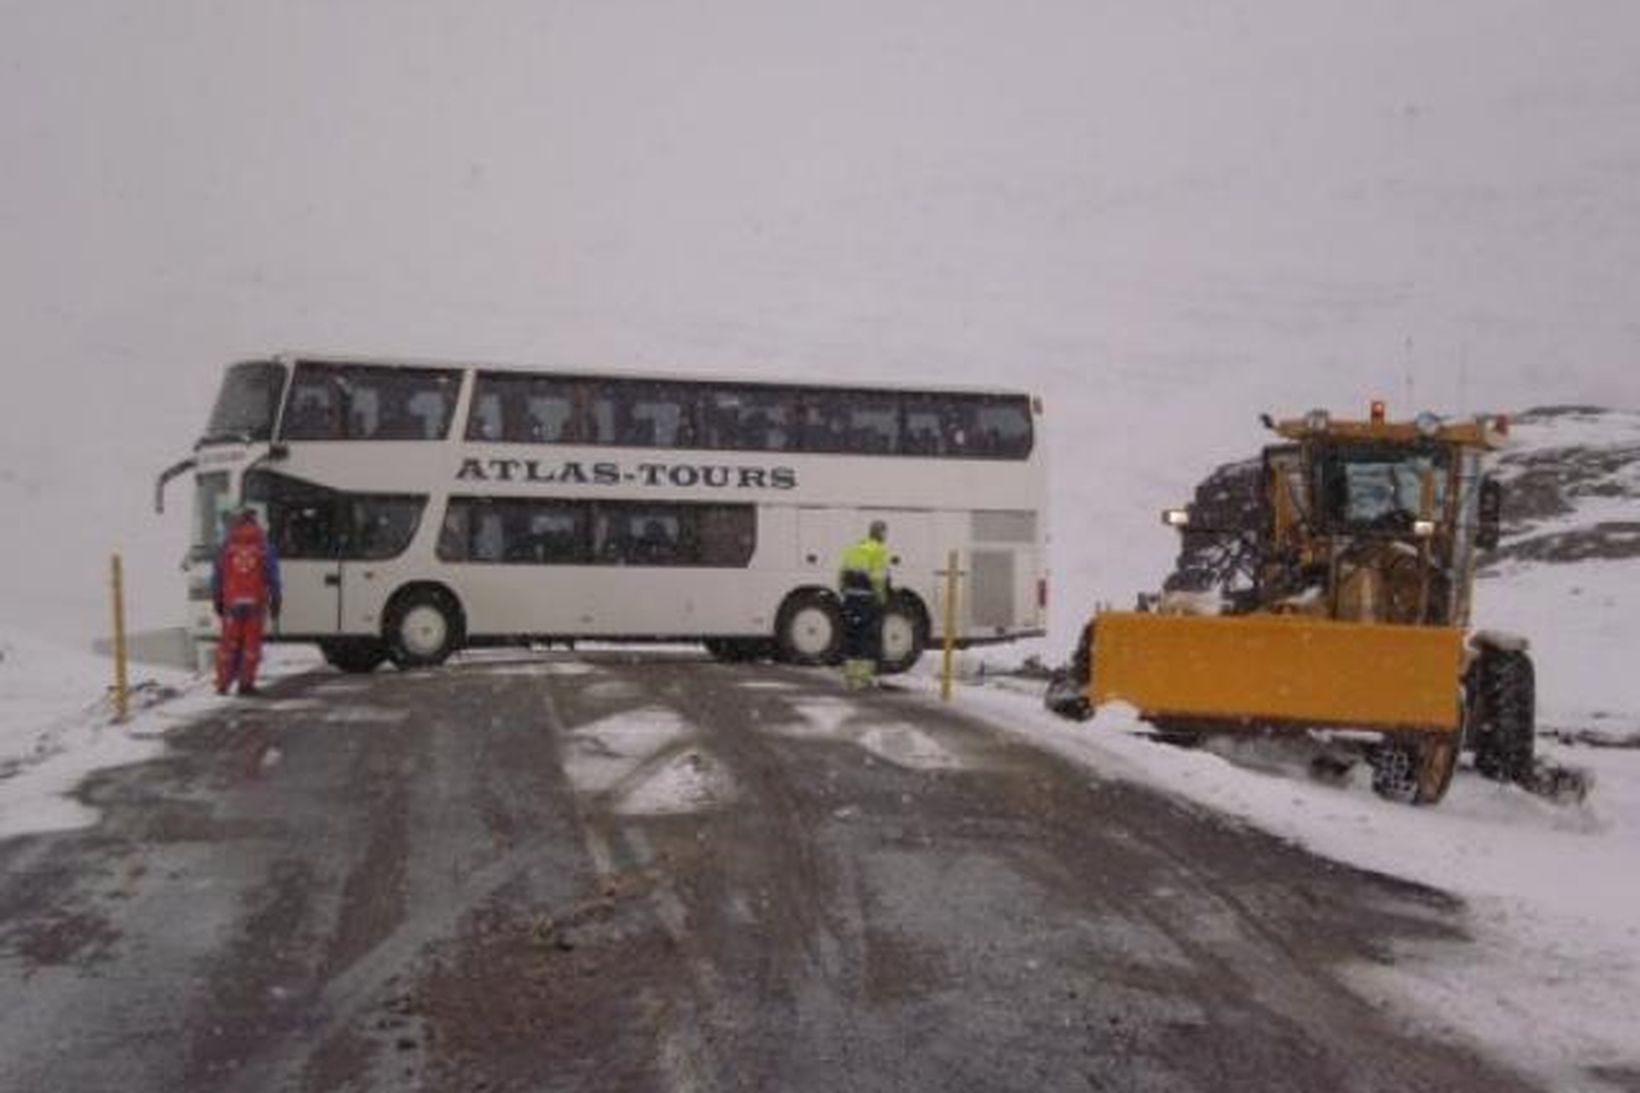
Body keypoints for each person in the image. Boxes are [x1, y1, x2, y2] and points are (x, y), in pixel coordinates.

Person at [212, 507, 282, 696]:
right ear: (253, 522)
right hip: (255, 603)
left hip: (232, 602)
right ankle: (245, 684)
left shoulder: (226, 546)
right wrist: (276, 599)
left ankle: (222, 684)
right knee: (251, 645)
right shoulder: (264, 545)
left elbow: (217, 576)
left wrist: (217, 598)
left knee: (228, 645)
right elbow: (273, 576)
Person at [836, 519, 890, 690]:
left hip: (851, 599)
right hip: (867, 600)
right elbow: (878, 580)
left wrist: (845, 593)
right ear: (880, 533)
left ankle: (851, 678)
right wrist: (882, 599)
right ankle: (863, 679)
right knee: (868, 639)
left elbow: (841, 575)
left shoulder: (854, 549)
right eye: (884, 532)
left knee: (852, 637)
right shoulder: (879, 551)